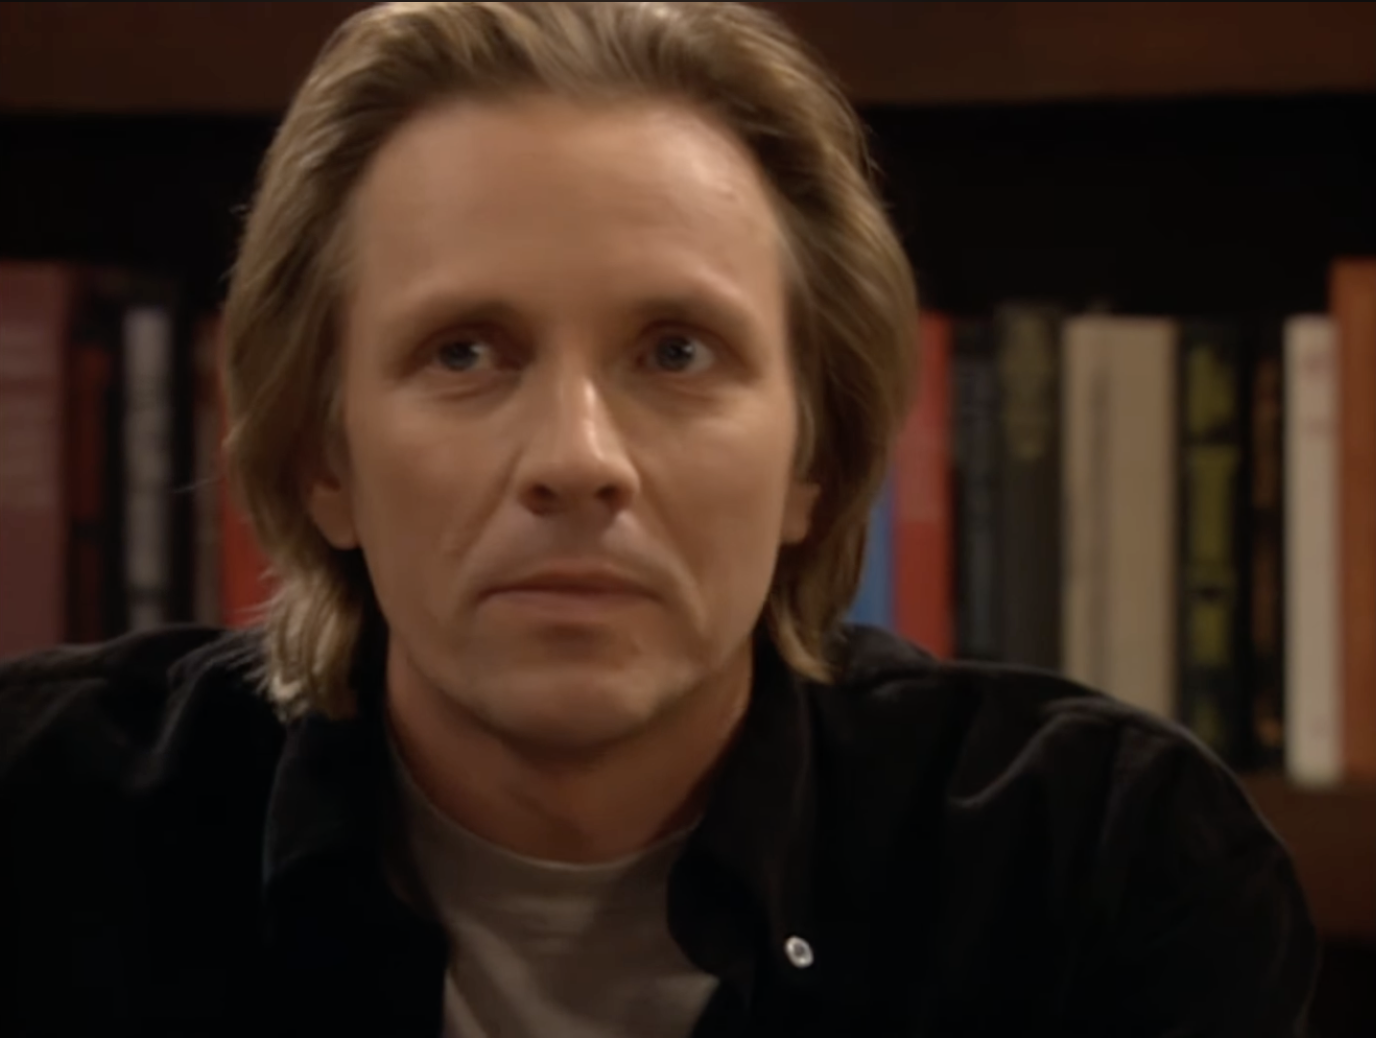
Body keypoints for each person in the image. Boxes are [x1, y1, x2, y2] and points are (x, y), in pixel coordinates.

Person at [0, 3, 1317, 1036]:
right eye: (466, 352)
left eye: (677, 353)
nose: (578, 460)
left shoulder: (1099, 869)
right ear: (321, 457)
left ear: (817, 457)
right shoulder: (42, 828)